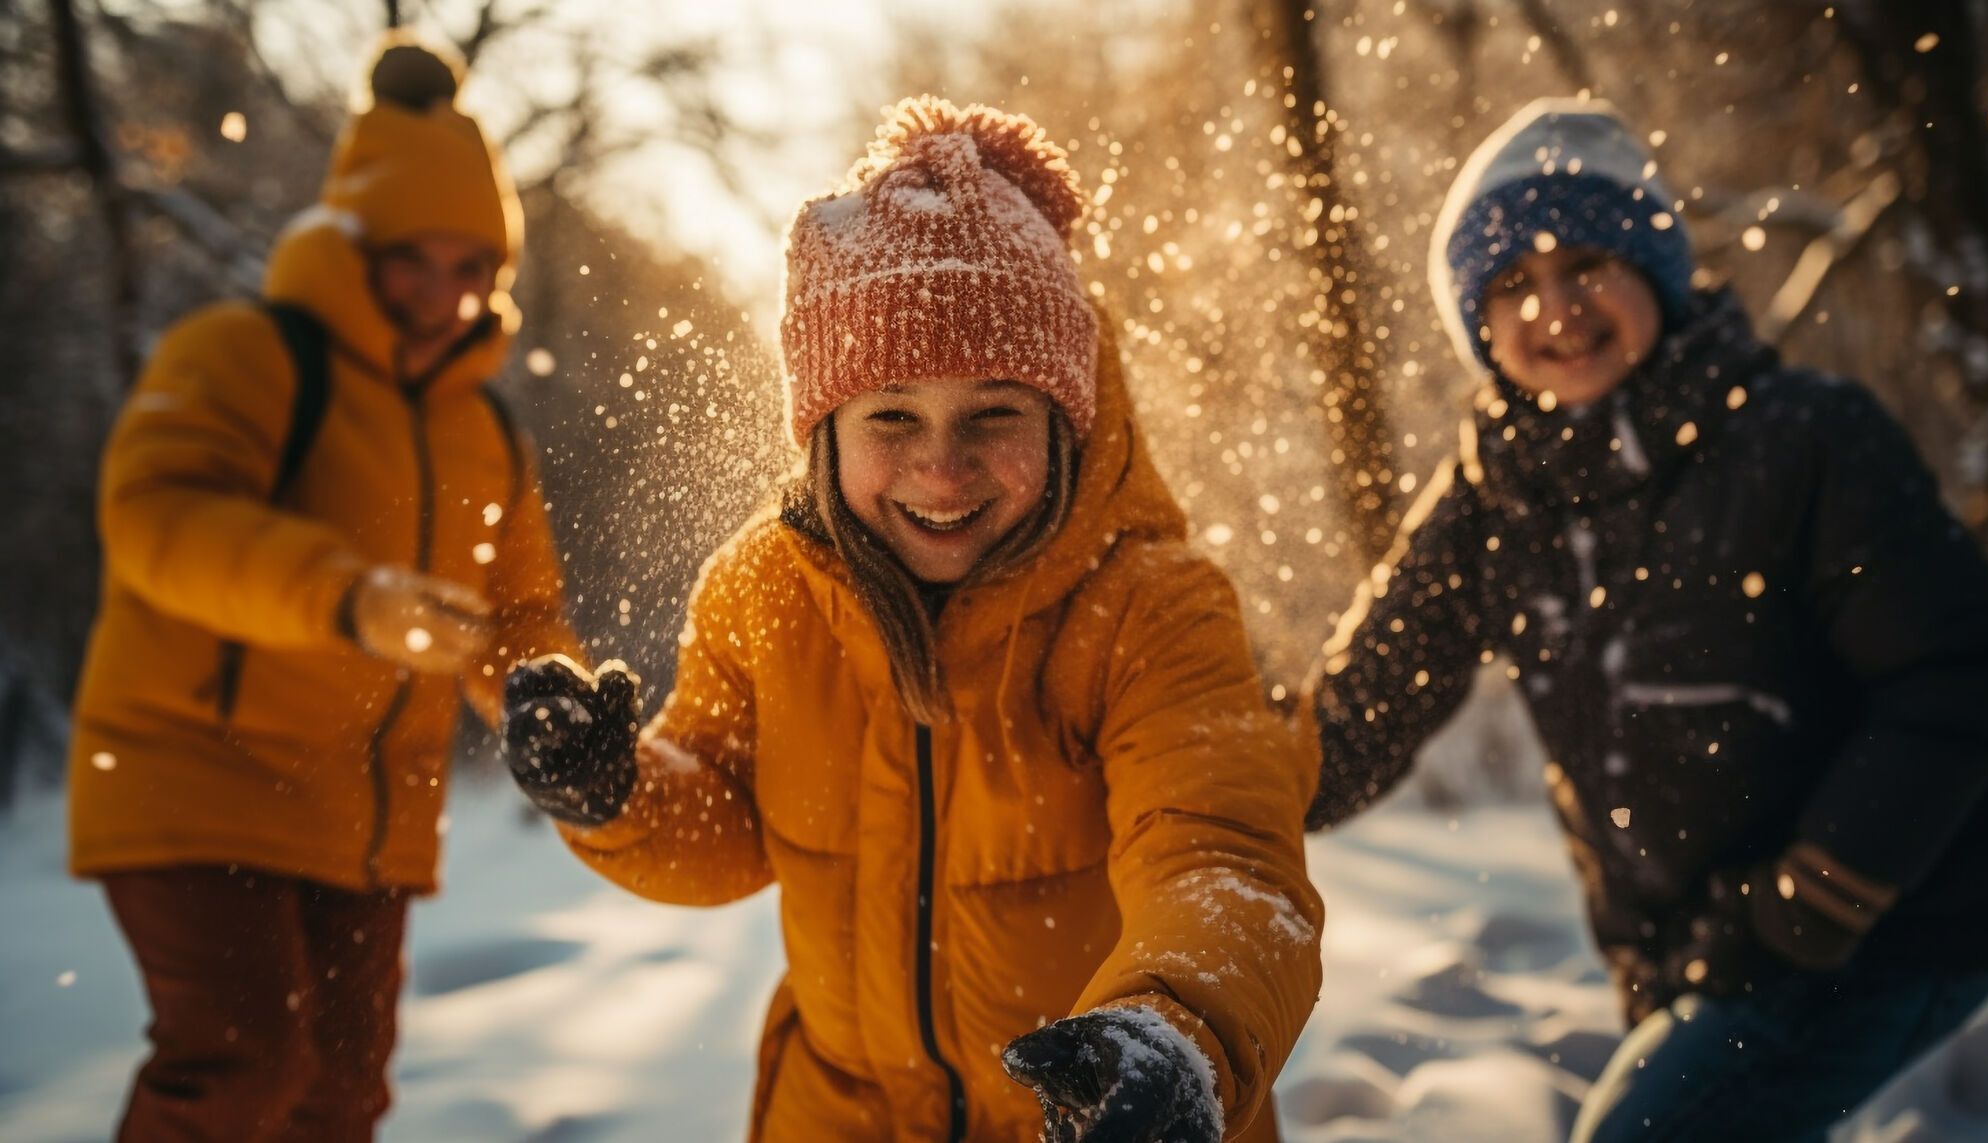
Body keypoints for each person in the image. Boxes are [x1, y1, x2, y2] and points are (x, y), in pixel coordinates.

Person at [500, 96, 1323, 1143]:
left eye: (994, 414)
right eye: (892, 414)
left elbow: (1222, 860)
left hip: (1098, 1116)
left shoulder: (1149, 609)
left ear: (1067, 423)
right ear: (824, 433)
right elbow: (723, 819)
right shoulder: (767, 591)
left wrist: (1174, 1032)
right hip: (838, 1111)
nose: (943, 466)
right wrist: (615, 790)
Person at [1305, 97, 1988, 1141]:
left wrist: (1807, 901)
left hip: (1894, 922)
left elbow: (1956, 675)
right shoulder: (1494, 502)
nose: (1554, 308)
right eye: (1511, 285)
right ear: (1477, 327)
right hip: (1697, 954)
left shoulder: (1800, 439)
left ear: (1654, 273)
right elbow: (1353, 723)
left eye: (1583, 264)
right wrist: (1192, 769)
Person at [67, 36, 578, 1142]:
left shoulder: (484, 427)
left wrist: (554, 706)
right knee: (241, 1065)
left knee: (340, 1100)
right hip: (197, 776)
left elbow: (521, 615)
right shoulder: (246, 354)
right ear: (354, 246)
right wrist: (348, 598)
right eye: (414, 259)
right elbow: (159, 520)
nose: (443, 294)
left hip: (365, 818)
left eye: (470, 267)